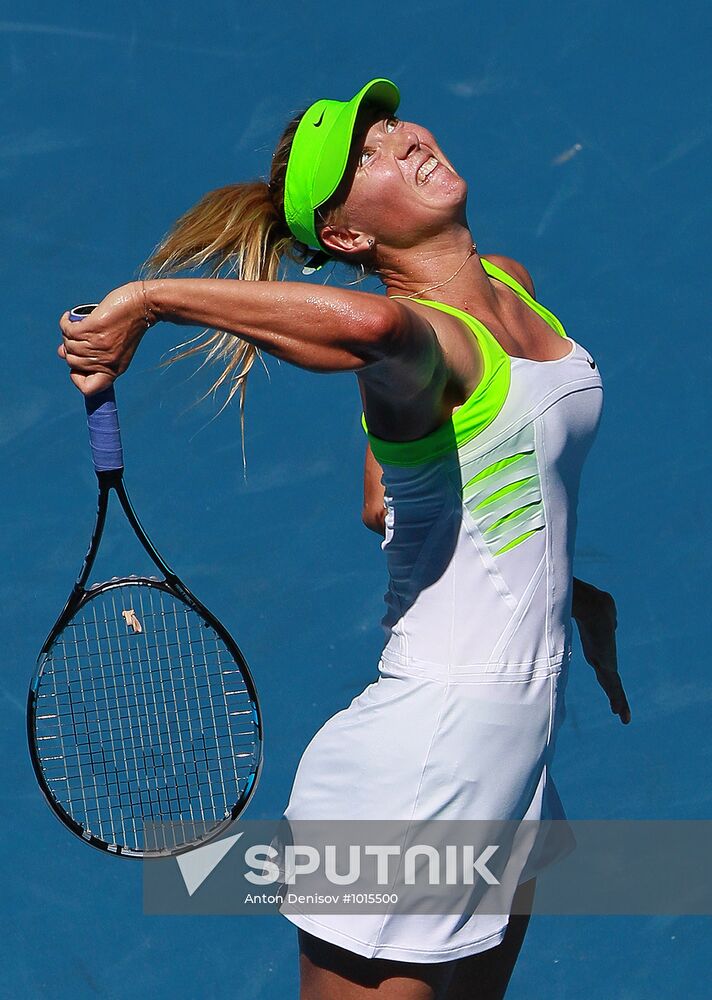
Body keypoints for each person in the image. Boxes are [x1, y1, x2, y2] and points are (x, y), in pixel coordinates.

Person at [59, 78, 630, 1000]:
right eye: (364, 158)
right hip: (425, 765)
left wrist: (559, 588)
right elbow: (370, 325)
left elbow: (387, 497)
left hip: (510, 750)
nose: (398, 141)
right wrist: (148, 299)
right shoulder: (424, 338)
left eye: (388, 125)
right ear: (351, 240)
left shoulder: (511, 290)